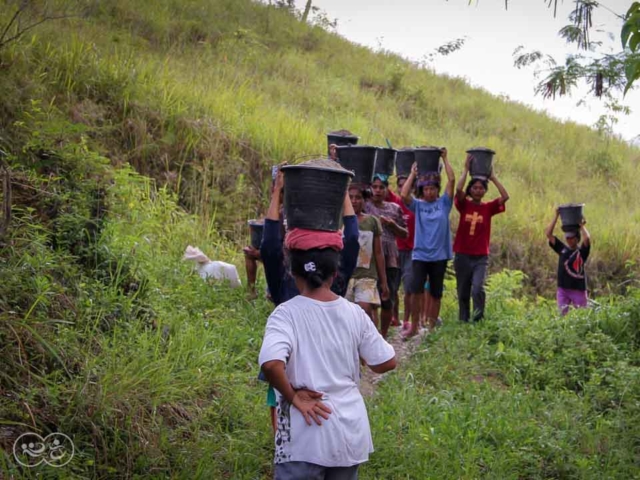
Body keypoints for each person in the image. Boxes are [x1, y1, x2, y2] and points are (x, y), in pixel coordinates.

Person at [259, 244, 396, 479]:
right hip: (349, 431)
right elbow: (387, 361)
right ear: (334, 275)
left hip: (304, 434)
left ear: (293, 273)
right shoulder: (355, 313)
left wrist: (292, 396)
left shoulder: (285, 314)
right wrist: (360, 354)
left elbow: (271, 364)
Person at [259, 165, 360, 433]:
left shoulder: (284, 289)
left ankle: (281, 449)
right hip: (330, 372)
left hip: (288, 375)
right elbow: (352, 240)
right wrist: (343, 194)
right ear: (334, 267)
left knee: (286, 426)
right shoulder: (335, 287)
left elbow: (268, 246)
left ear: (291, 264)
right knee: (326, 421)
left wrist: (277, 194)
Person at [400, 148, 455, 338]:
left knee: (436, 292)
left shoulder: (444, 203)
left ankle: (431, 328)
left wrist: (445, 159)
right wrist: (412, 175)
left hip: (439, 256)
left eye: (432, 189)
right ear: (422, 190)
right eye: (426, 189)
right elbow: (404, 195)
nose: (430, 192)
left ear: (437, 190)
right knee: (415, 291)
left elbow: (452, 181)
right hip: (420, 255)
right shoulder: (418, 205)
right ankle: (414, 326)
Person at [453, 155, 510, 322]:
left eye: (481, 188)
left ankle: (478, 319)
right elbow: (458, 191)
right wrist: (465, 169)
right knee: (463, 291)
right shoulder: (464, 205)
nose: (478, 190)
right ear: (470, 189)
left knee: (477, 288)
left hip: (480, 257)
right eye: (475, 188)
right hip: (462, 254)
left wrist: (493, 177)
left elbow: (505, 197)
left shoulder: (488, 208)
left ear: (485, 190)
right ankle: (463, 322)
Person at [366, 175, 408, 338]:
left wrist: (392, 224)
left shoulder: (394, 208)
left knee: (387, 296)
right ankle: (371, 334)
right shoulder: (365, 206)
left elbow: (405, 233)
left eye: (381, 187)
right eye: (374, 187)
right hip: (368, 257)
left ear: (386, 190)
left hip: (390, 258)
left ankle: (383, 335)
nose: (377, 191)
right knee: (368, 299)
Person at [346, 185, 388, 324]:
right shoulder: (340, 221)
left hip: (366, 276)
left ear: (364, 200)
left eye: (358, 197)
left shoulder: (372, 221)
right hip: (345, 276)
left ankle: (372, 342)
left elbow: (378, 252)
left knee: (365, 311)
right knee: (346, 316)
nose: (354, 201)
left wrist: (384, 282)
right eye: (350, 197)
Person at [386, 175, 420, 331]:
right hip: (395, 250)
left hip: (412, 251)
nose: (402, 188)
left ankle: (407, 320)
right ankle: (394, 317)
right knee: (393, 286)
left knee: (409, 287)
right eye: (399, 185)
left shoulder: (417, 205)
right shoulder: (395, 202)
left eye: (405, 185)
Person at [544, 208, 591, 315]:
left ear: (577, 238)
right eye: (567, 238)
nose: (569, 240)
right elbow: (548, 234)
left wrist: (582, 226)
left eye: (571, 238)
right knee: (562, 316)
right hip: (563, 289)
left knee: (582, 316)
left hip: (578, 290)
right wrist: (556, 216)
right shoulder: (562, 249)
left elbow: (587, 238)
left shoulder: (582, 252)